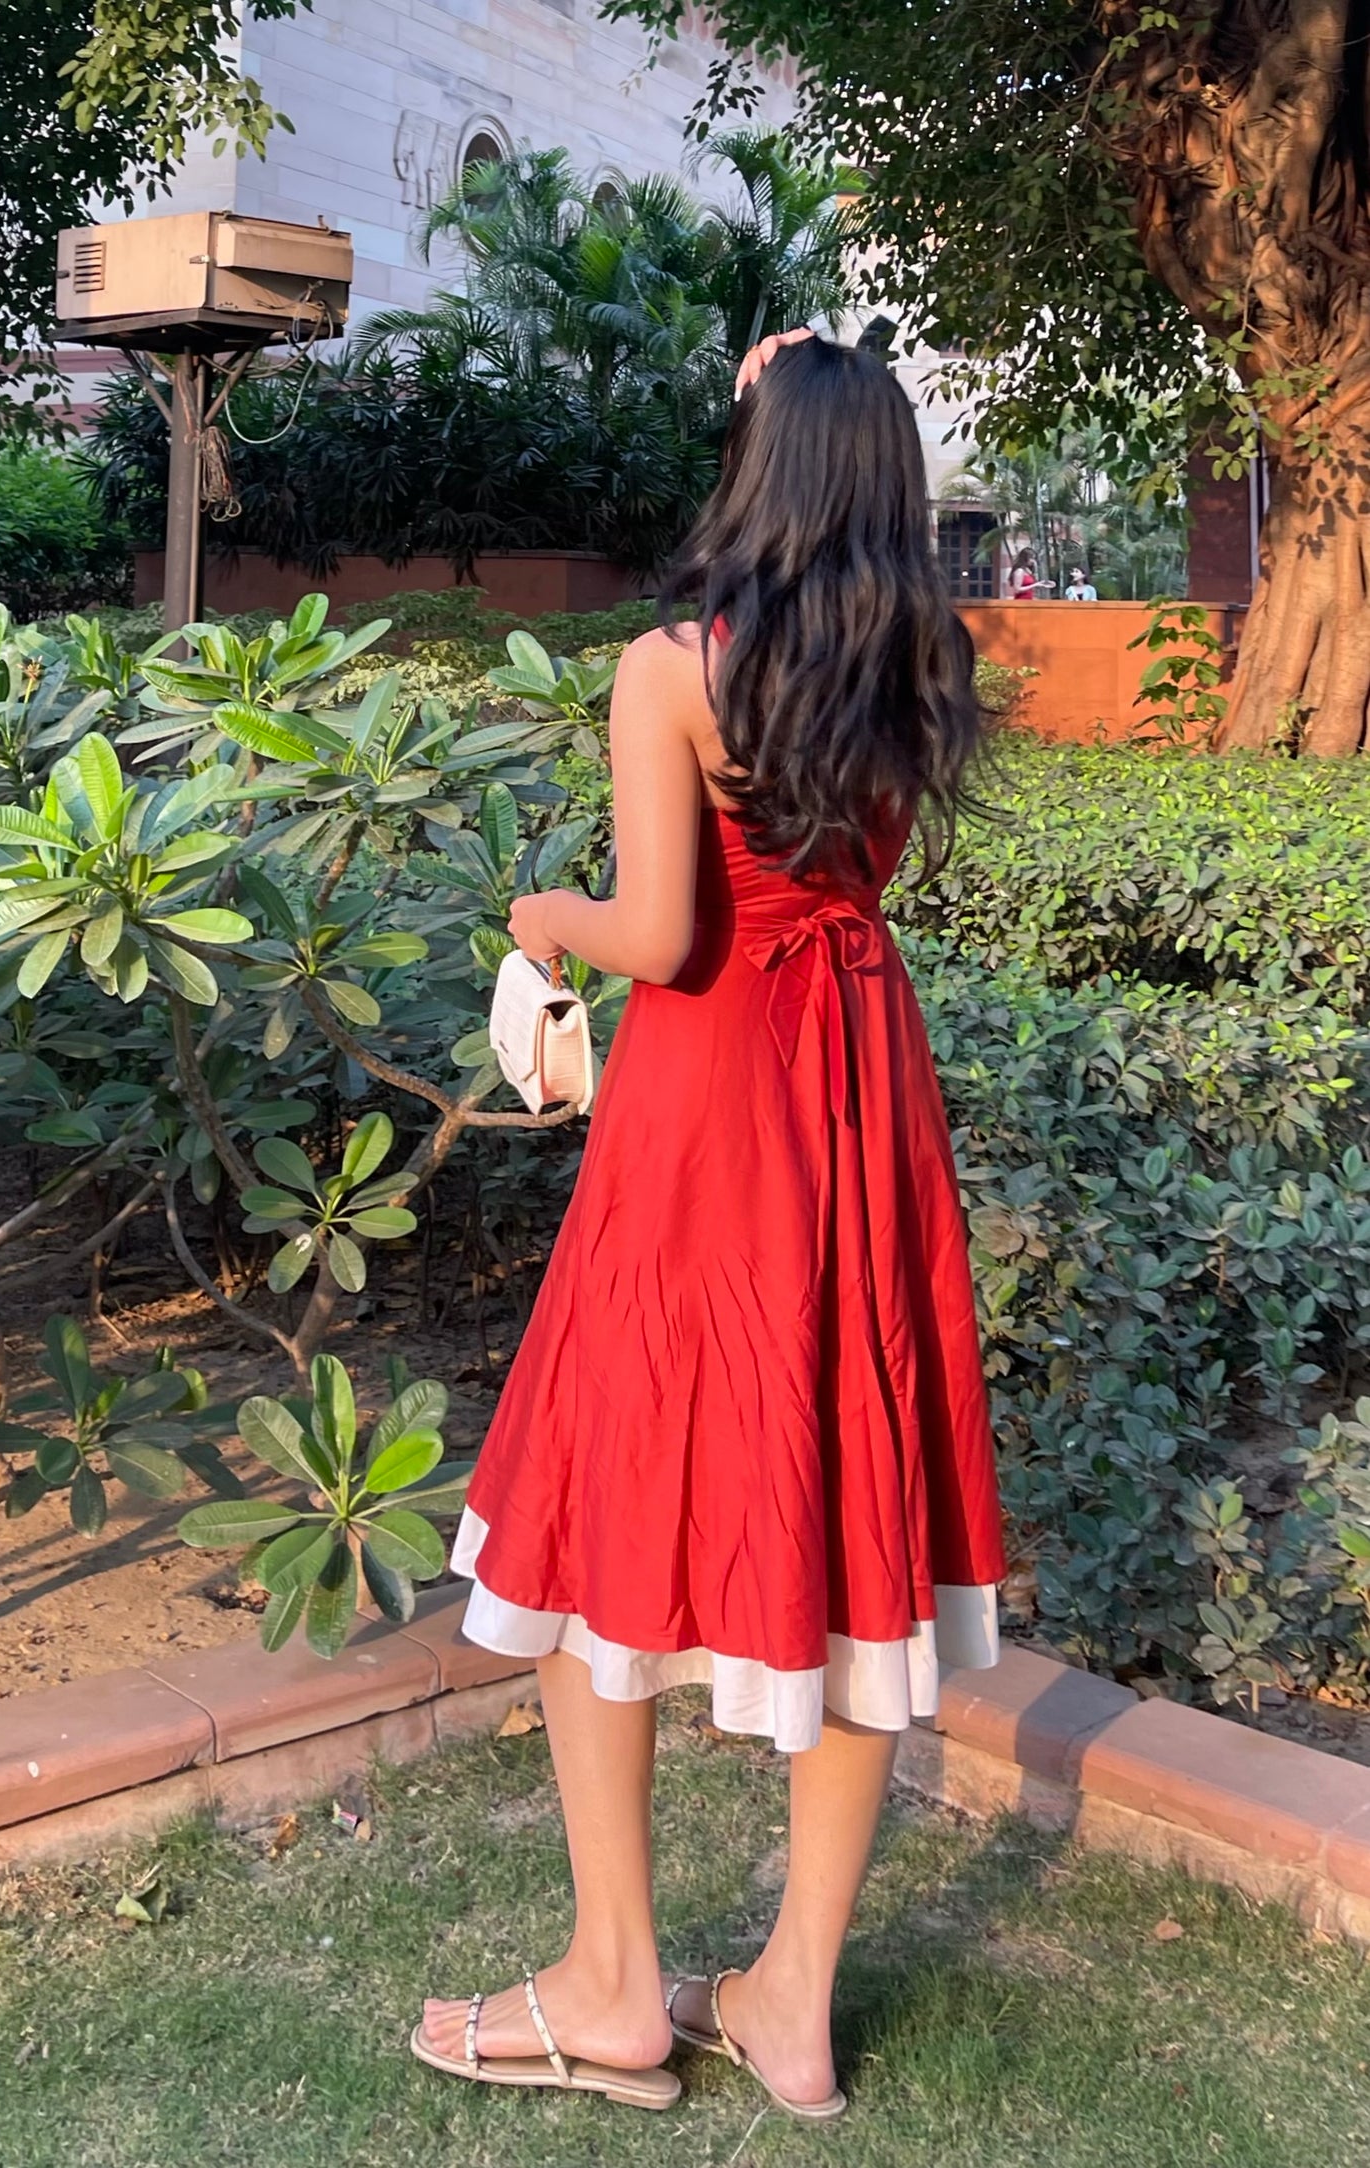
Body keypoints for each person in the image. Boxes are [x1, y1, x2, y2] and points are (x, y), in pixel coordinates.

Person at [413, 328, 1007, 2122]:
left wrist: (544, 916)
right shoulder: (920, 662)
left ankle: (614, 1988)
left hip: (710, 1104)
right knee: (853, 1500)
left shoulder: (675, 668)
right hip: (859, 1091)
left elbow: (664, 937)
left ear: (760, 470)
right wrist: (803, 378)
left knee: (609, 1485)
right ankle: (790, 2005)